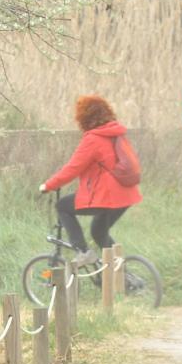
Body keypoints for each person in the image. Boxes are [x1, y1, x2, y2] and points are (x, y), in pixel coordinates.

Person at [40, 95, 142, 266]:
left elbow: (73, 168)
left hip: (107, 197)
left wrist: (48, 185)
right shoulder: (117, 134)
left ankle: (83, 252)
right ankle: (125, 278)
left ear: (83, 117)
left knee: (63, 207)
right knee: (98, 232)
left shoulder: (92, 139)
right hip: (126, 196)